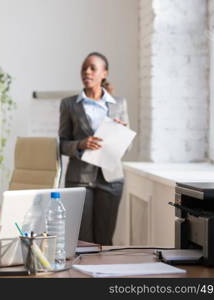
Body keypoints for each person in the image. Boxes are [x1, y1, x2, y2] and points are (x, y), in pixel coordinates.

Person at [59, 52, 129, 245]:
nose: (87, 72)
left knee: (105, 240)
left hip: (112, 179)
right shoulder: (69, 104)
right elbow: (62, 144)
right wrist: (80, 144)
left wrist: (120, 133)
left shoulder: (119, 104)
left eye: (92, 68)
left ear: (104, 73)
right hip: (79, 180)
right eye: (84, 68)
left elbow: (127, 148)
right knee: (82, 241)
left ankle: (103, 275)